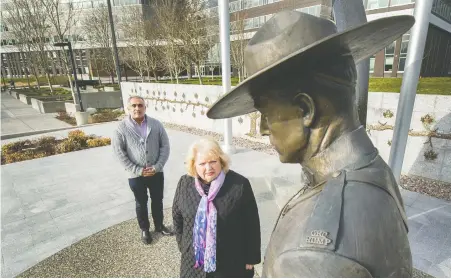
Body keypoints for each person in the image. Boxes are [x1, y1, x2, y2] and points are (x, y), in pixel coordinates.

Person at [206, 11, 414, 277]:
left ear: (306, 110)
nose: (262, 129)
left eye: (266, 114)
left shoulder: (310, 256)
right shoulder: (372, 169)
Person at [172, 137, 261, 278]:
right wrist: (184, 247)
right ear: (194, 165)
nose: (209, 168)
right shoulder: (184, 183)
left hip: (230, 261)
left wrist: (251, 257)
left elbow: (251, 224)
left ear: (221, 161)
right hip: (194, 262)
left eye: (213, 161)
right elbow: (177, 218)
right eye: (202, 163)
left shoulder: (239, 185)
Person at [112, 95, 173, 245]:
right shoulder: (121, 128)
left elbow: (165, 146)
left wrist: (158, 166)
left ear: (145, 107)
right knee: (141, 202)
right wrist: (137, 170)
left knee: (157, 200)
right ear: (128, 108)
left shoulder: (156, 124)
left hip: (156, 172)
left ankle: (159, 225)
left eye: (140, 105)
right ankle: (145, 229)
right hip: (135, 175)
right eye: (133, 106)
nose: (137, 108)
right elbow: (119, 153)